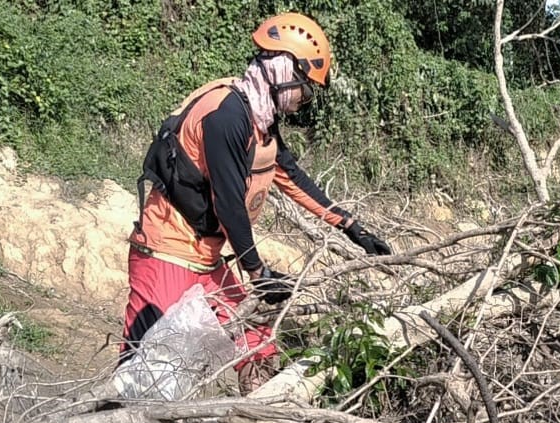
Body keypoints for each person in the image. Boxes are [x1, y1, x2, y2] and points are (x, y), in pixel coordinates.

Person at [121, 12, 391, 394]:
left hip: (205, 261)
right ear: (285, 70)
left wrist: (350, 227)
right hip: (165, 254)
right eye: (306, 90)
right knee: (141, 374)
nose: (304, 101)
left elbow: (292, 178)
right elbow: (229, 203)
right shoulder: (226, 116)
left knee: (258, 342)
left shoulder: (258, 120)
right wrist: (258, 271)